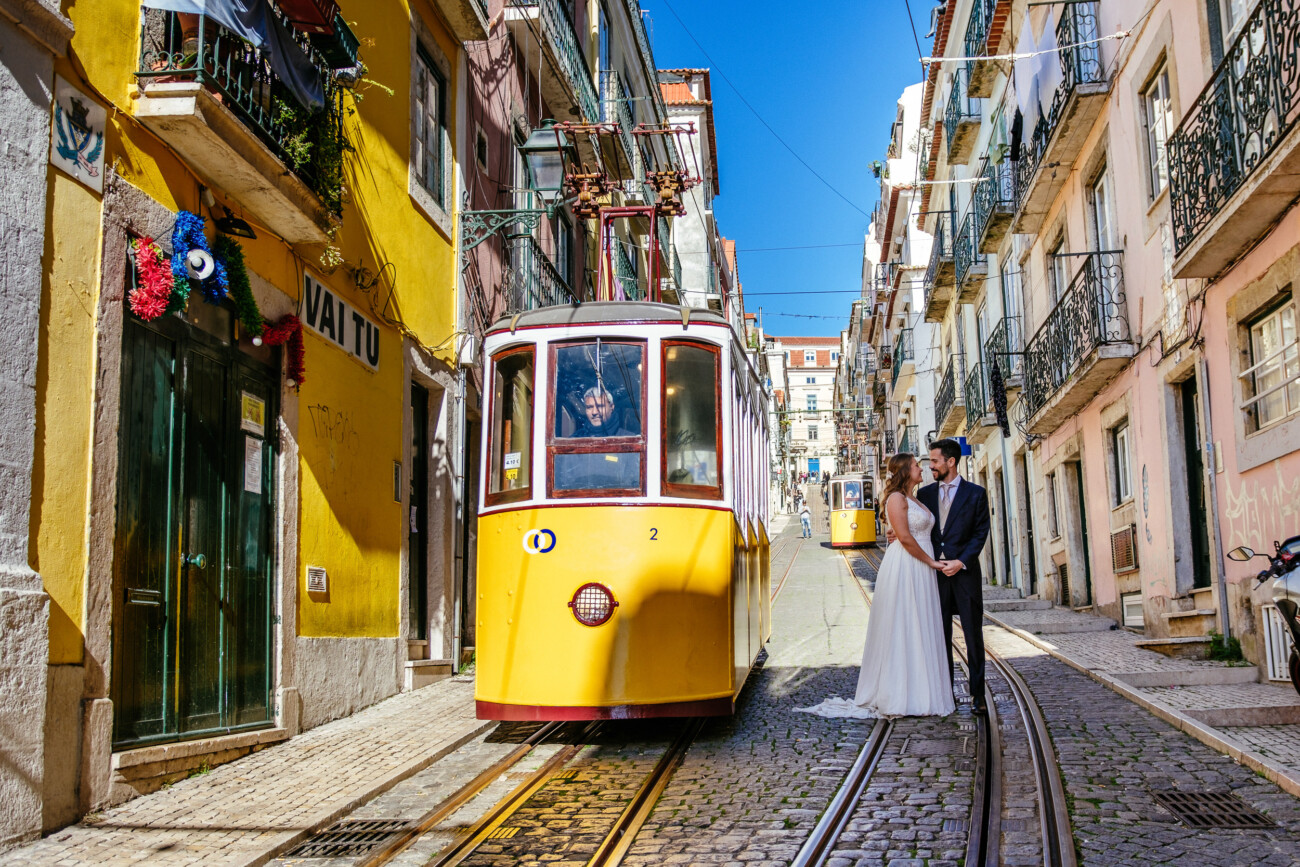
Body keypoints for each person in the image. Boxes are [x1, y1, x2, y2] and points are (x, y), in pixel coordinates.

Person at [796, 453, 955, 719]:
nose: (921, 468)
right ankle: (902, 694)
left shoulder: (916, 498)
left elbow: (908, 531)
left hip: (920, 569)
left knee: (920, 625)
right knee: (904, 626)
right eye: (916, 465)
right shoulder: (896, 498)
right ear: (906, 470)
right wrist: (932, 562)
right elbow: (903, 537)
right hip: (907, 567)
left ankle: (922, 691)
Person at [917, 438, 992, 714]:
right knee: (940, 636)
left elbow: (980, 533)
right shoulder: (924, 496)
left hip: (965, 575)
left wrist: (960, 562)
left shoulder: (975, 494)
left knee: (973, 635)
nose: (931, 466)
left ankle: (978, 696)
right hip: (935, 577)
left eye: (935, 461)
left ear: (951, 462)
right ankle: (945, 694)